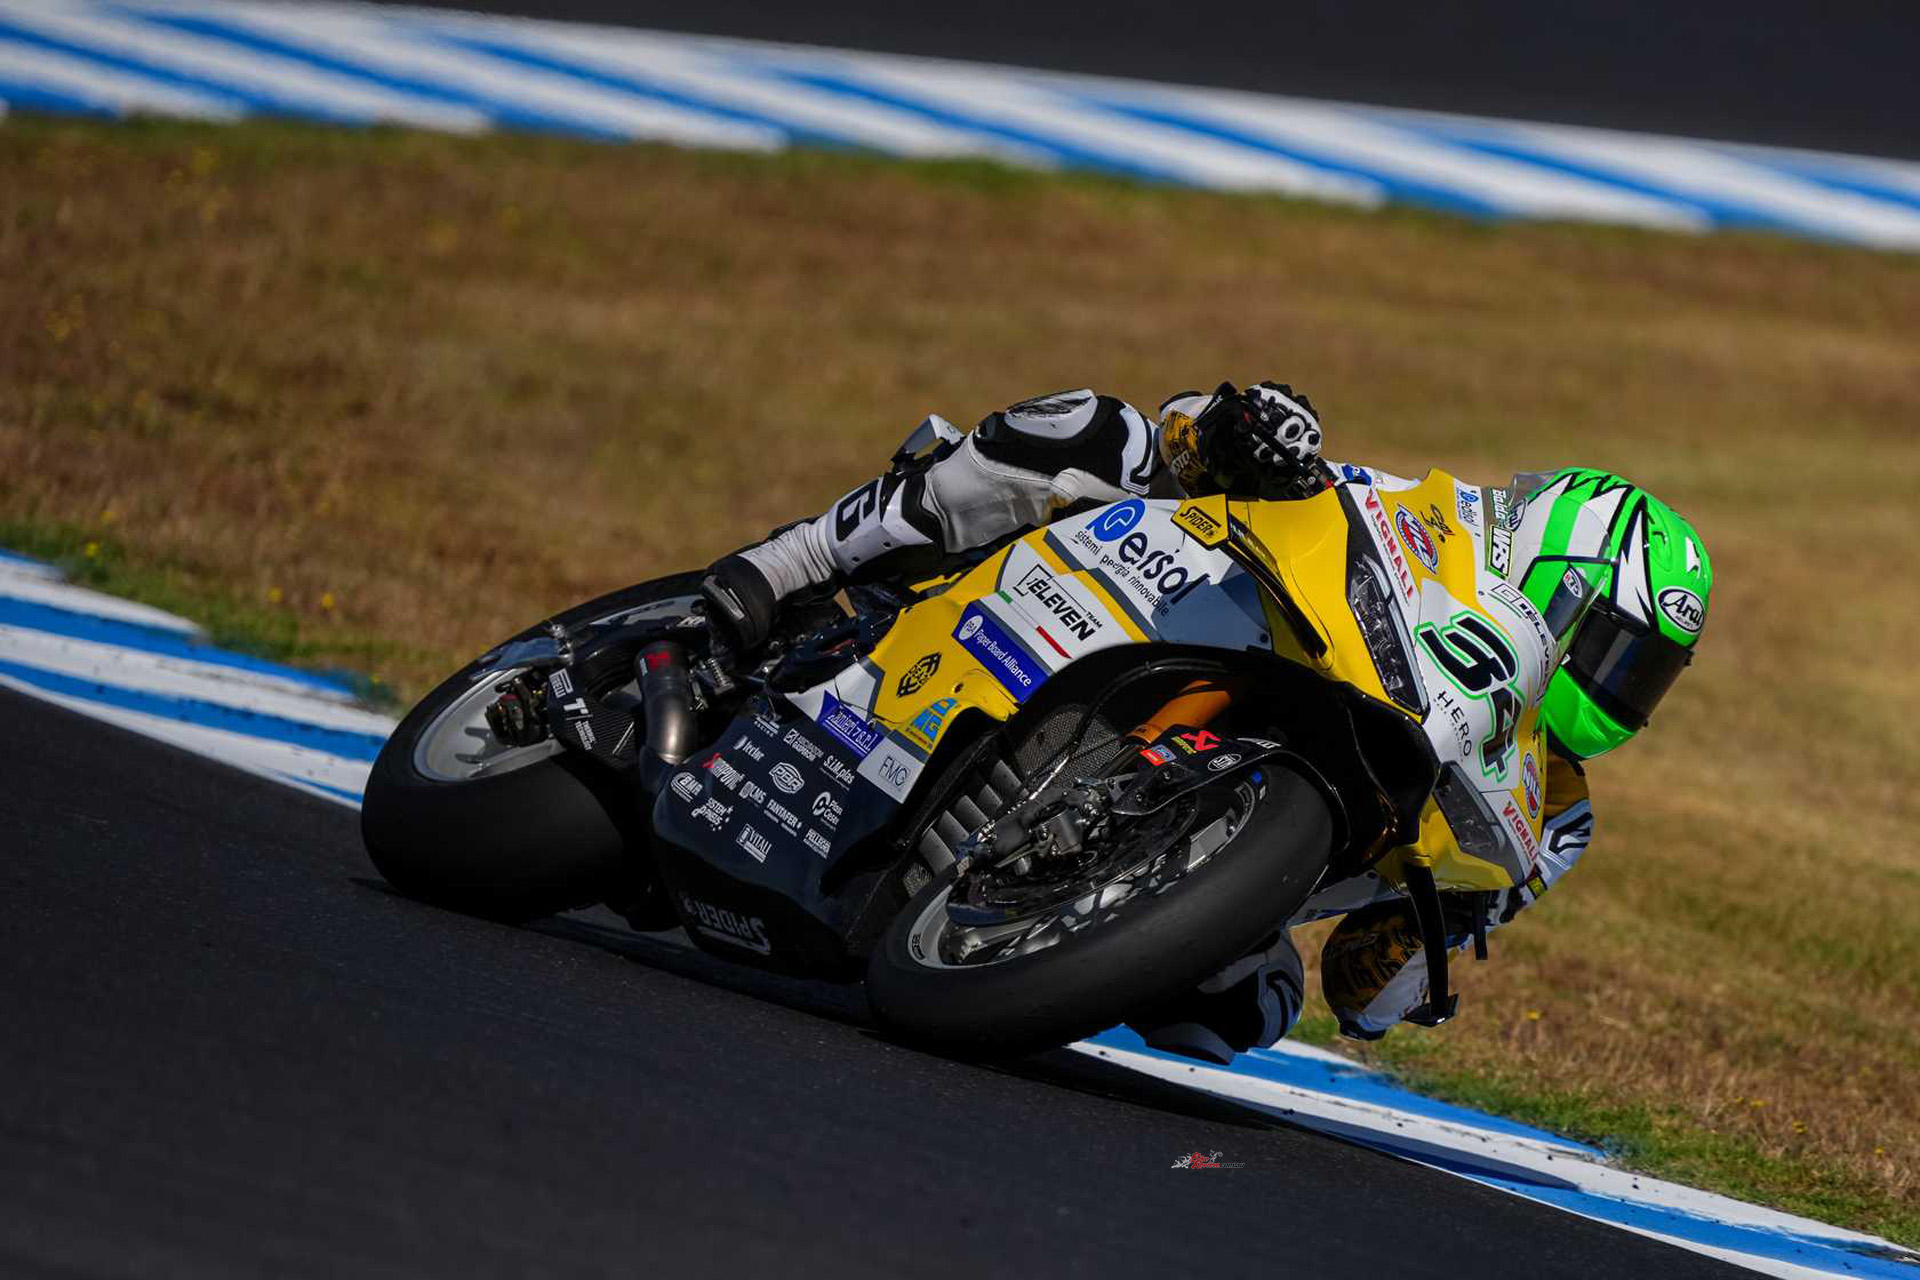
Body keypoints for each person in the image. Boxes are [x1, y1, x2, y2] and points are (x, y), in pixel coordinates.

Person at [700, 384, 1714, 1064]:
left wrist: (1422, 942)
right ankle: (798, 562)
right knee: (1103, 433)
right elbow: (1201, 436)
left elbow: (1363, 993)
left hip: (1212, 862)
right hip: (1157, 609)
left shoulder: (1553, 814)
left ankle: (1043, 898)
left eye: (1646, 677)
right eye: (1617, 650)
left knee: (1247, 1009)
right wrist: (1238, 432)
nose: (1621, 690)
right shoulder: (1426, 518)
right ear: (1558, 567)